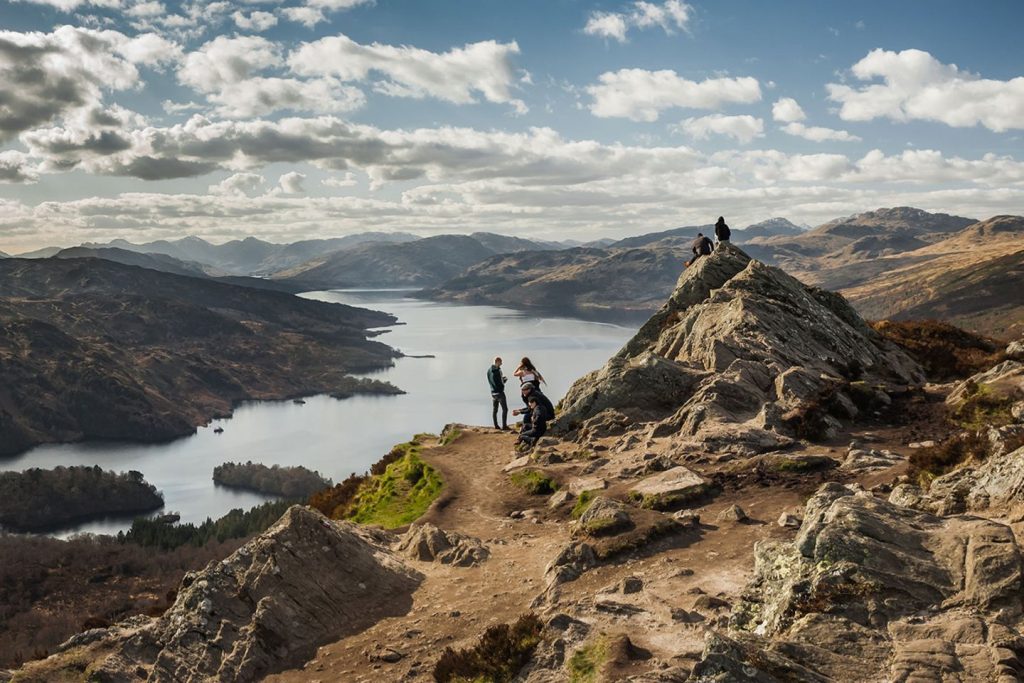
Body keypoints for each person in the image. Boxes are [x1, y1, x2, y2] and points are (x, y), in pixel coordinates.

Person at [487, 356, 508, 430]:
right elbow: (499, 383)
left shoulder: (489, 370)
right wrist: (504, 381)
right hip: (500, 392)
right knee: (505, 409)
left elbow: (491, 381)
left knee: (495, 410)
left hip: (493, 392)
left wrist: (501, 380)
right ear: (497, 362)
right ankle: (504, 426)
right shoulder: (497, 371)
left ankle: (496, 425)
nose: (501, 364)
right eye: (501, 362)